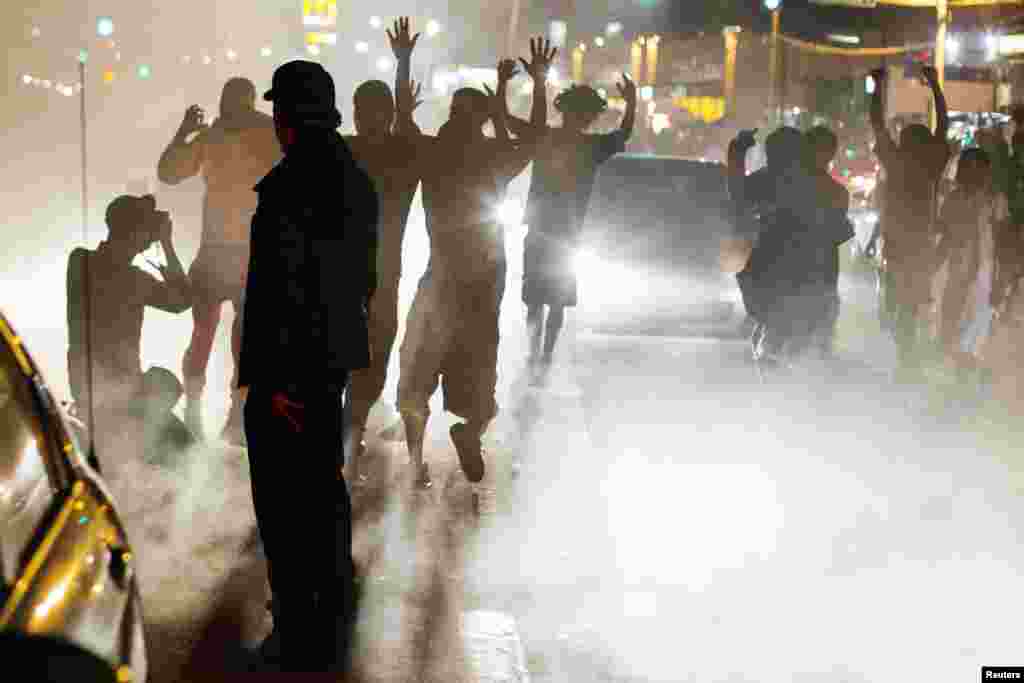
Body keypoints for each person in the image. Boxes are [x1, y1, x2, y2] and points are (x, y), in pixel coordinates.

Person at [238, 60, 378, 671]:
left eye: (280, 111)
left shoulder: (302, 182)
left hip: (292, 372)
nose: (276, 122)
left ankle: (299, 623)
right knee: (321, 486)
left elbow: (293, 290)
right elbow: (359, 282)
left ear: (294, 115)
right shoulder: (350, 177)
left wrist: (280, 382)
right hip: (322, 364)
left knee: (288, 498)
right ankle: (329, 605)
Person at [396, 39, 552, 489]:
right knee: (480, 384)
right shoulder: (492, 156)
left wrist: (403, 65)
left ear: (450, 115)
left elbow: (403, 124)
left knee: (416, 379)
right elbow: (537, 137)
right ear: (482, 120)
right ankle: (469, 431)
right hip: (482, 287)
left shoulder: (434, 153)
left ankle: (414, 461)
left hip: (440, 281)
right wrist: (536, 83)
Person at [157, 78, 281, 445]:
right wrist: (182, 135)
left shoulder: (249, 133)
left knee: (224, 335)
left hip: (244, 252)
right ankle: (215, 412)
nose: (232, 110)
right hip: (226, 251)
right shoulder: (240, 133)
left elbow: (169, 172)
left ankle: (230, 414)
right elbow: (169, 173)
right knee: (214, 332)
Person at [342, 18, 427, 476]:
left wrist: (404, 65)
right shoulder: (371, 151)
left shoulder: (387, 152)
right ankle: (345, 440)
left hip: (368, 278)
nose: (363, 116)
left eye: (367, 109)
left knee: (365, 365)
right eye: (361, 108)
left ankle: (346, 439)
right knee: (362, 364)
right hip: (358, 278)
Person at [507, 73, 636, 366]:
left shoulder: (547, 138)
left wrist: (508, 85)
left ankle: (536, 352)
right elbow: (623, 134)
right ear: (590, 117)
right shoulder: (591, 147)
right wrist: (632, 102)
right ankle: (545, 354)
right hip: (567, 233)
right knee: (554, 300)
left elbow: (510, 122)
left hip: (543, 230)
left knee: (538, 298)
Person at [66, 195, 193, 465]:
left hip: (113, 393)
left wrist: (153, 238)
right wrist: (167, 244)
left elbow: (182, 301)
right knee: (184, 455)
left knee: (180, 443)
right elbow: (183, 300)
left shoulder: (80, 262)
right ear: (135, 233)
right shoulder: (130, 278)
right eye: (146, 229)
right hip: (115, 400)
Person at [727, 127, 850, 369]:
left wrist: (737, 153)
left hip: (793, 283)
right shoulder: (829, 189)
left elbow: (738, 195)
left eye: (778, 156)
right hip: (793, 283)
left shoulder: (777, 180)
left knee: (787, 345)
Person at [867, 66, 951, 380]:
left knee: (902, 302)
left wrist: (879, 87)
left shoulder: (897, 161)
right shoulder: (931, 163)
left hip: (899, 244)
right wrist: (936, 88)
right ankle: (908, 354)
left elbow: (876, 124)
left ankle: (906, 354)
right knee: (912, 302)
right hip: (919, 243)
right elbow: (943, 125)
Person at [933, 147, 1006, 382]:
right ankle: (958, 381)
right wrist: (929, 270)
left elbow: (1003, 245)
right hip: (957, 273)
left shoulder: (996, 201)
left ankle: (967, 382)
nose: (972, 173)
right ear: (961, 170)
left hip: (985, 277)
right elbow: (945, 239)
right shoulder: (953, 200)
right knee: (951, 327)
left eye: (978, 168)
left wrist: (1000, 282)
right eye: (967, 167)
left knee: (978, 334)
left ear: (986, 172)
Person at [804, 125, 855, 355]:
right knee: (821, 336)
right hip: (824, 269)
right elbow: (840, 233)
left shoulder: (791, 188)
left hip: (802, 268)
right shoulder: (838, 193)